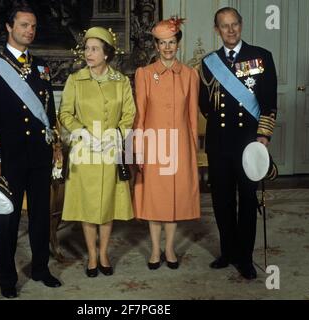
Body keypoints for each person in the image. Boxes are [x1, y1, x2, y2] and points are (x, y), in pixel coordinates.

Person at [0, 1, 62, 298]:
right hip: (10, 160)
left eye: (33, 26)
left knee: (40, 216)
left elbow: (49, 111)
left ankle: (41, 268)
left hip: (39, 156)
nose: (30, 31)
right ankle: (7, 279)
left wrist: (54, 146)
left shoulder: (42, 66)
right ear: (9, 27)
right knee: (8, 222)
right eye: (24, 25)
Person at [199, 7, 277, 279]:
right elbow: (204, 105)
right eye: (224, 26)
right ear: (217, 29)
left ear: (241, 26)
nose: (230, 30)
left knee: (246, 199)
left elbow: (269, 102)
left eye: (234, 25)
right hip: (219, 144)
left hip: (249, 143)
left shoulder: (261, 57)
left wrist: (263, 136)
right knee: (221, 201)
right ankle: (227, 251)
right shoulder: (209, 62)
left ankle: (244, 257)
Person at [58, 27, 136, 278]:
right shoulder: (75, 80)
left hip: (110, 149)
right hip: (85, 151)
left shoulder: (121, 81)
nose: (88, 53)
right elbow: (65, 113)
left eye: (94, 49)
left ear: (106, 53)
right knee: (88, 204)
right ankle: (92, 254)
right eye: (87, 48)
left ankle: (104, 253)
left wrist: (116, 135)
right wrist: (82, 132)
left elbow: (129, 114)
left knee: (106, 204)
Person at [132, 17, 201, 270]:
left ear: (178, 44)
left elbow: (192, 116)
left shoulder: (191, 75)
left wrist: (192, 149)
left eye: (171, 42)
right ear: (156, 46)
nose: (167, 48)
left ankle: (170, 248)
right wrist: (138, 148)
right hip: (154, 144)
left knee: (173, 198)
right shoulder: (144, 74)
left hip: (180, 145)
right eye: (162, 43)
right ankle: (154, 249)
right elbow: (139, 114)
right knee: (155, 197)